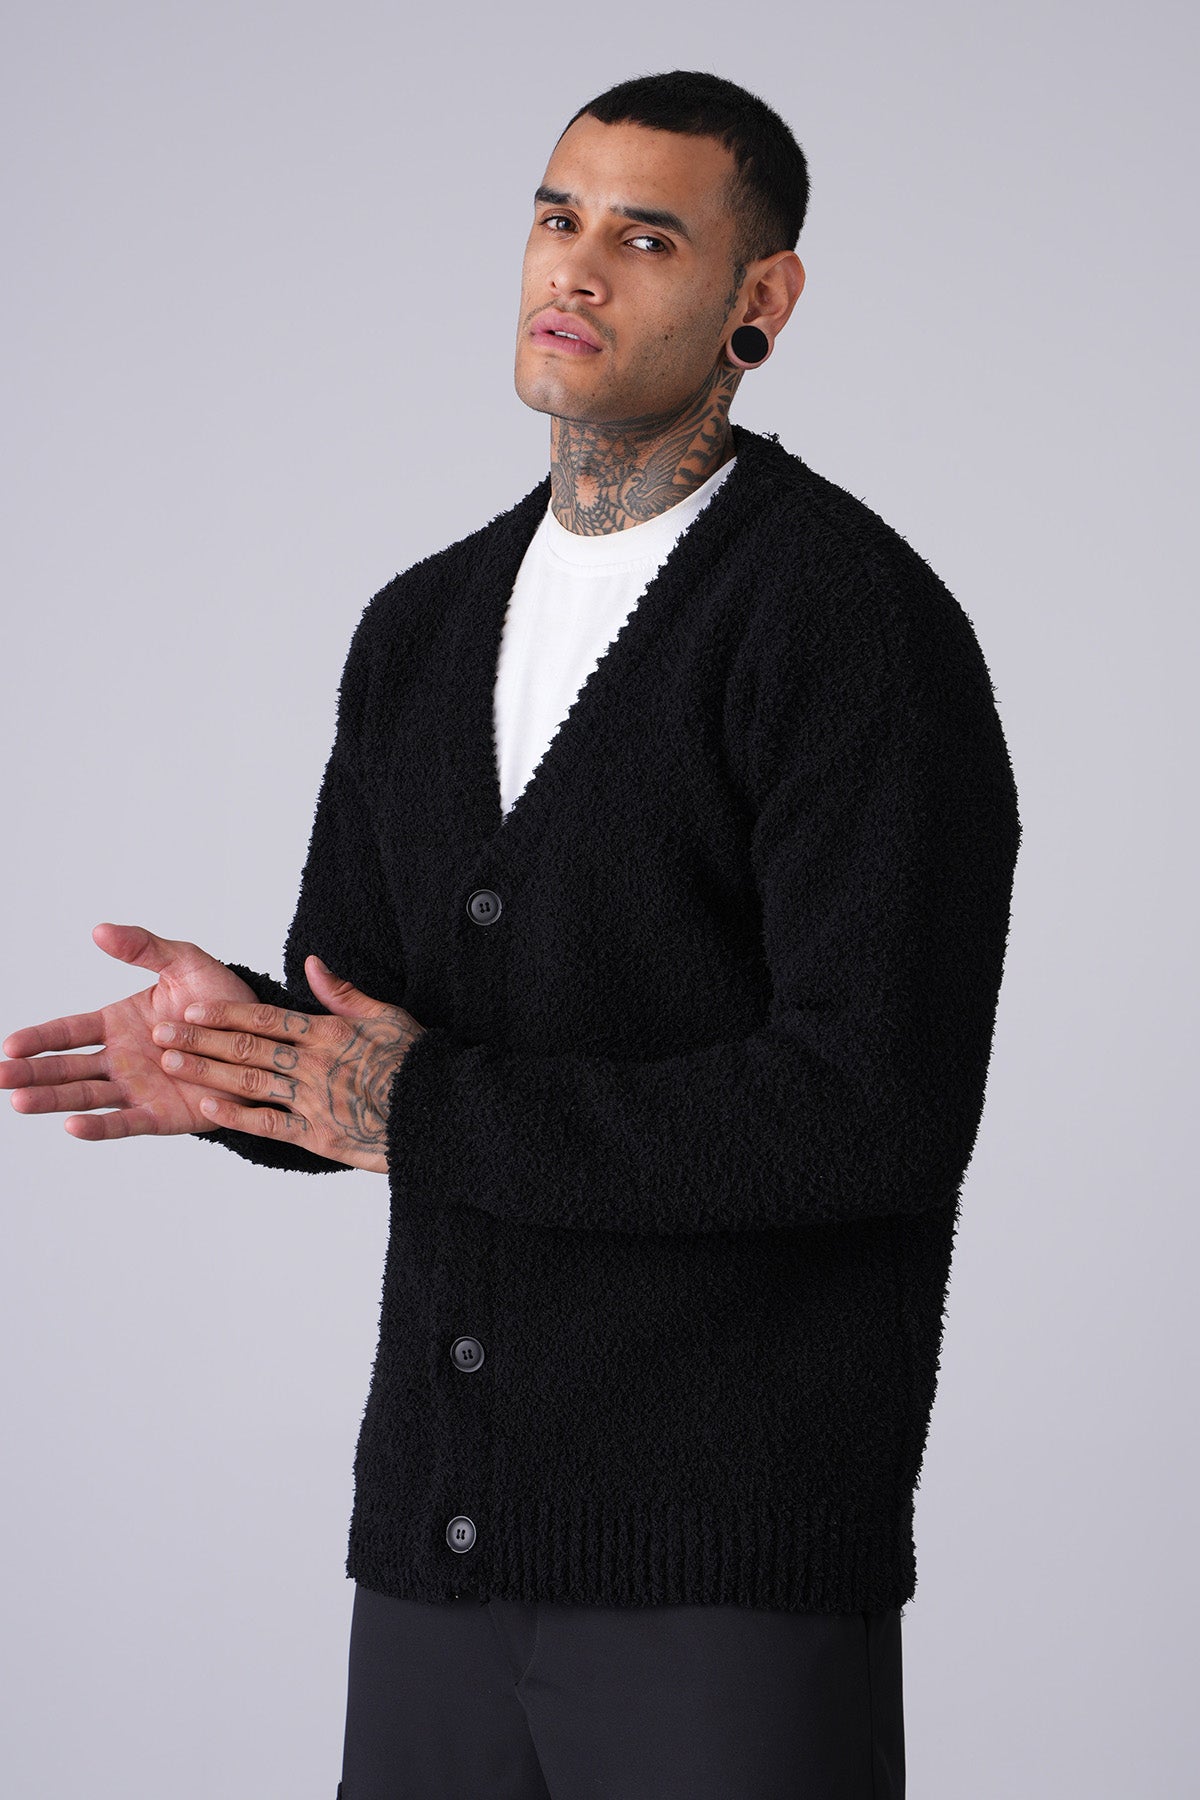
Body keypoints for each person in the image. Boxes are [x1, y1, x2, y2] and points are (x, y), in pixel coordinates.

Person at [2, 69, 1022, 1800]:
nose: (578, 267)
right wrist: (239, 1059)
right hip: (438, 1554)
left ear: (761, 300)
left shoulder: (847, 623)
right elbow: (385, 1044)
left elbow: (871, 1108)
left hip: (724, 1569)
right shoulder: (420, 626)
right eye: (559, 216)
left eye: (649, 236)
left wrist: (416, 1106)